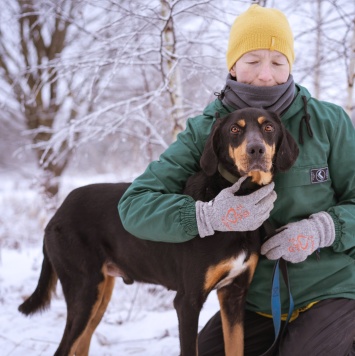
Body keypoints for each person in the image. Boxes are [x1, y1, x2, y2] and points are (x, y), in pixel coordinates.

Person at [118, 4, 355, 355]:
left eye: (277, 62)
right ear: (232, 64)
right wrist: (206, 216)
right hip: (251, 299)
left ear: (290, 65)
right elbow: (135, 206)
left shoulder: (327, 122)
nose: (265, 75)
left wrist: (323, 229)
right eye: (253, 60)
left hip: (329, 289)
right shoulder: (207, 130)